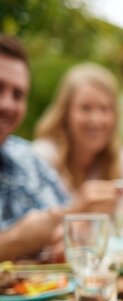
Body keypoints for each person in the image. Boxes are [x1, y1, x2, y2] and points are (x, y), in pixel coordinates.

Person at [0, 36, 114, 261]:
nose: (7, 104)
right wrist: (19, 239)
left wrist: (62, 241)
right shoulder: (44, 151)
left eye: (18, 95)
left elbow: (65, 227)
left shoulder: (23, 157)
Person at [33, 63, 123, 216]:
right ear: (65, 113)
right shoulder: (42, 157)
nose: (96, 120)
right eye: (85, 108)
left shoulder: (122, 157)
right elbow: (36, 231)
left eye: (105, 109)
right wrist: (78, 210)